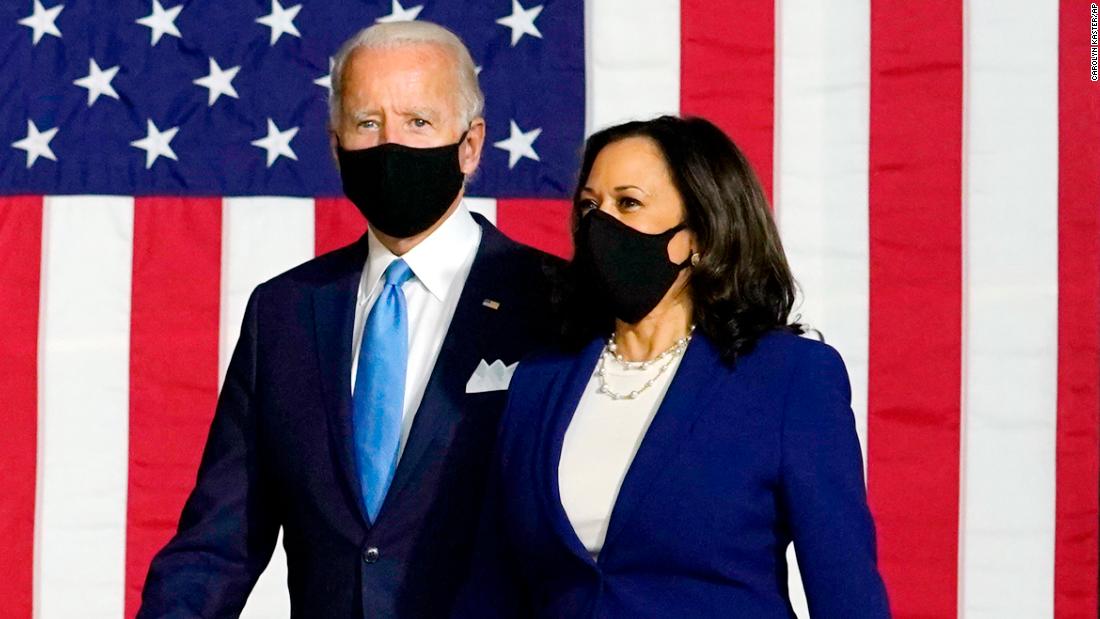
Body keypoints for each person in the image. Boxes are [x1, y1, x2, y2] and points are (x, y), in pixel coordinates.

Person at [138, 21, 562, 618]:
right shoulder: (283, 313)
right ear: (337, 146)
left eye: (418, 121)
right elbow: (219, 544)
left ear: (470, 144)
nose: (391, 144)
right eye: (368, 123)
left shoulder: (556, 304)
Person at [455, 116, 891, 618]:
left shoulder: (790, 378)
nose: (601, 223)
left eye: (629, 202)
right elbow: (492, 587)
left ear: (700, 233)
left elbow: (846, 591)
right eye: (590, 206)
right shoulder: (539, 381)